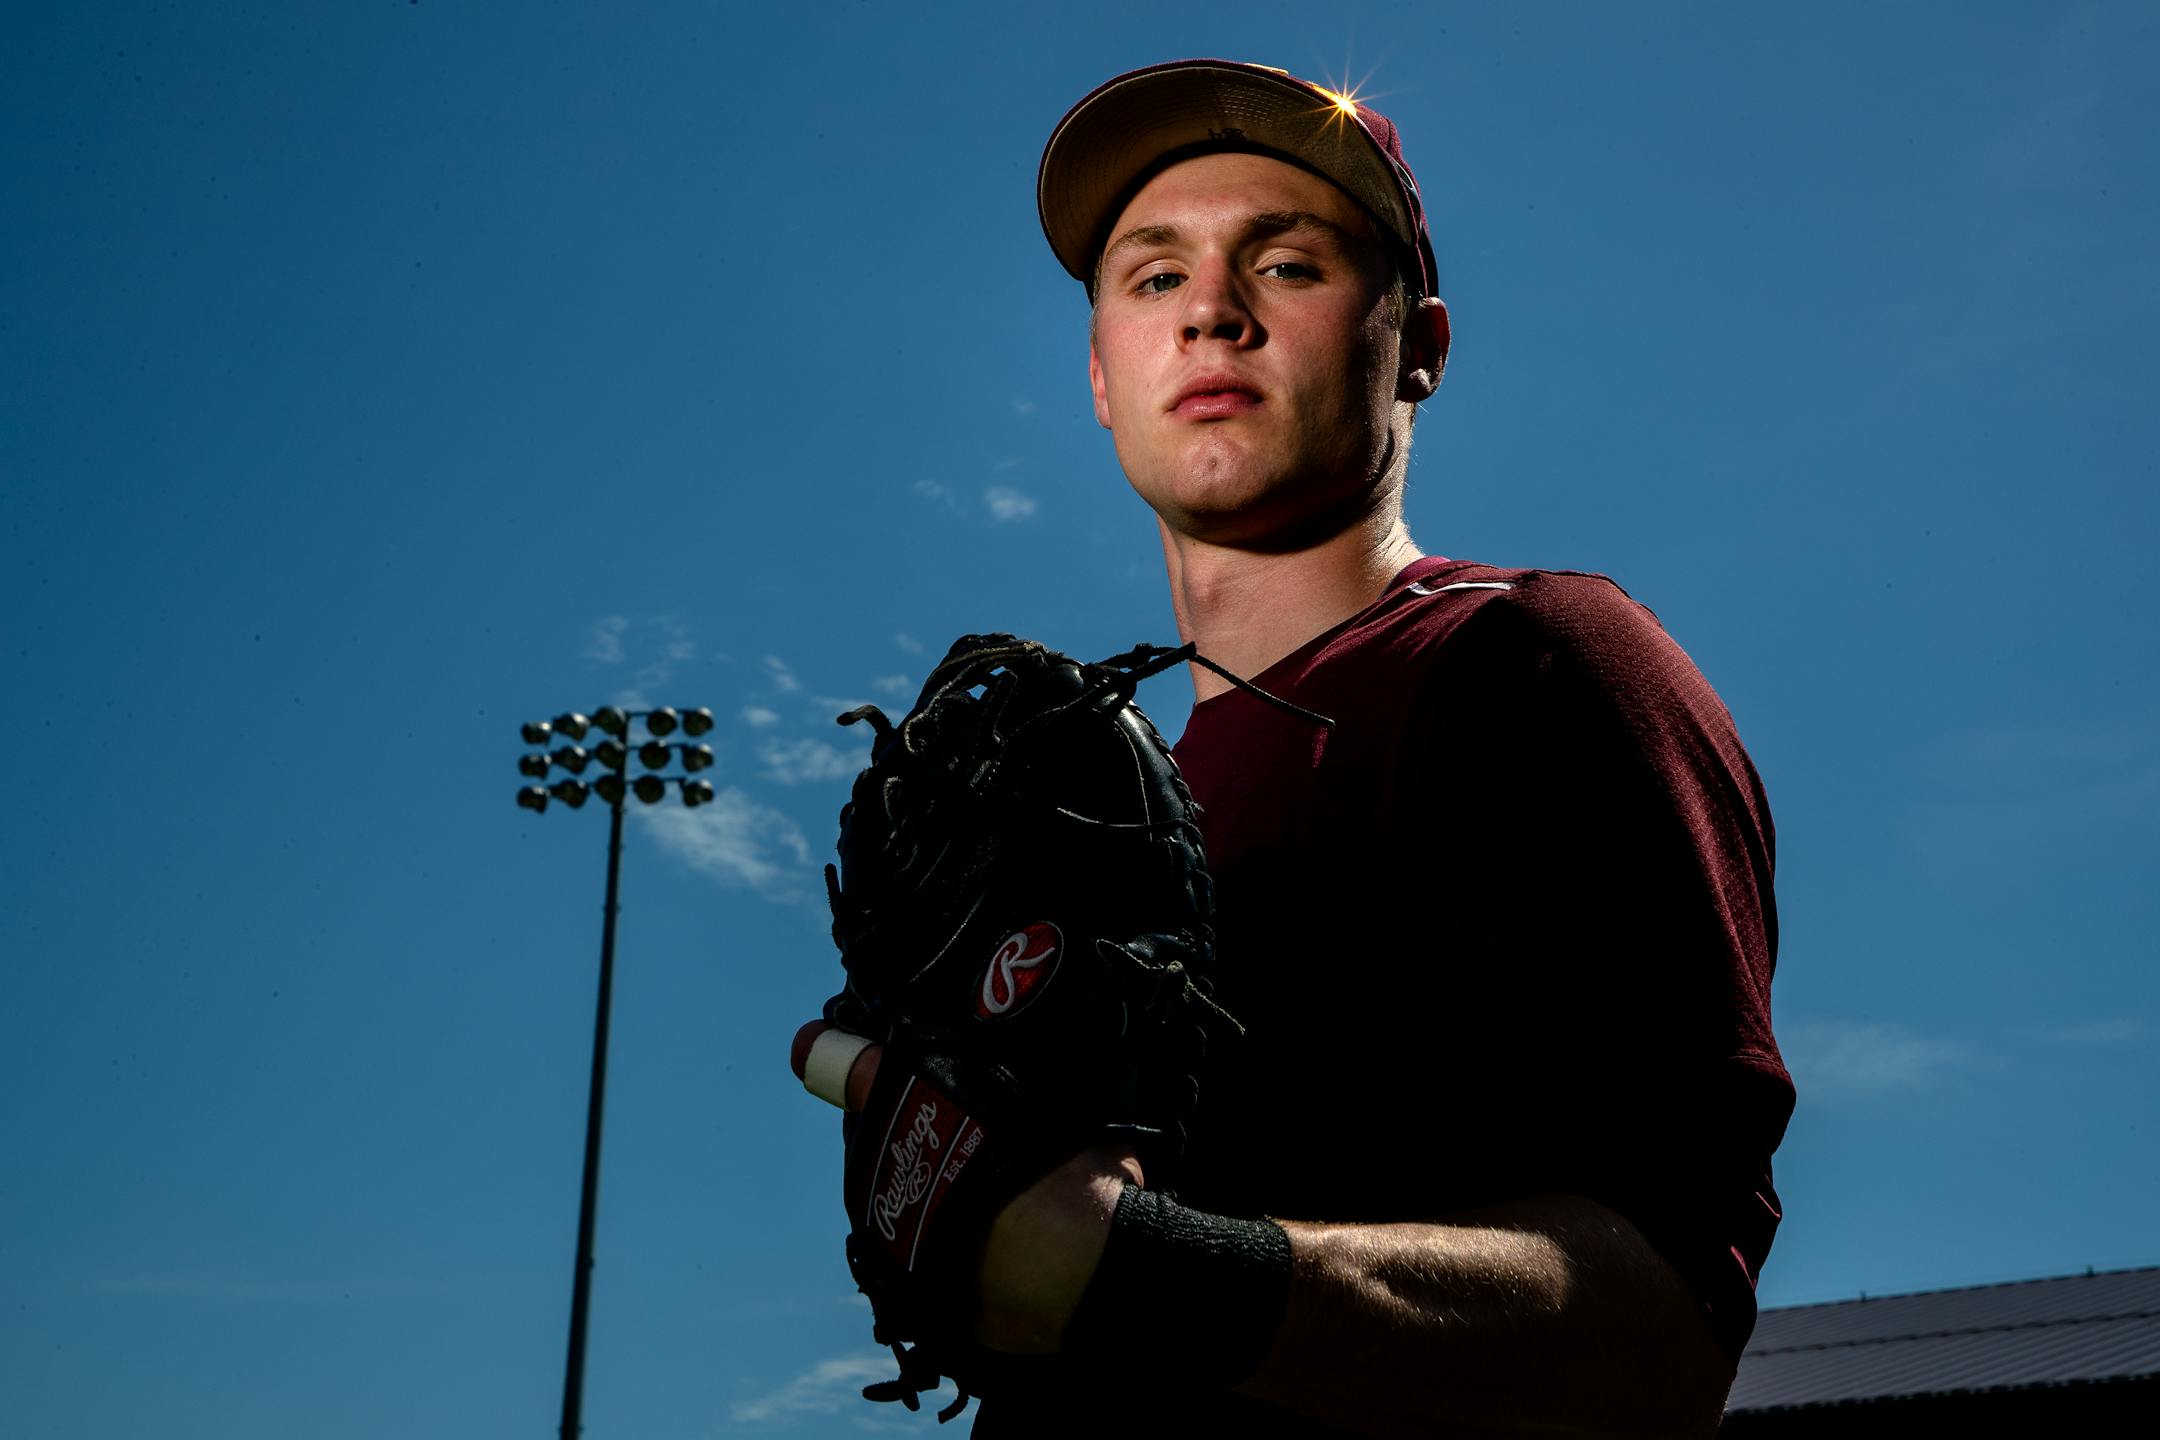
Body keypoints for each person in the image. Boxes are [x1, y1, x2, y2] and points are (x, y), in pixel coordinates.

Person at [799, 60, 1792, 1438]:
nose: (1211, 310)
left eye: (1287, 260)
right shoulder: (1088, 813)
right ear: (1101, 375)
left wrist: (1140, 1271)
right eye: (1153, 279)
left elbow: (1662, 1338)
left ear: (1421, 344)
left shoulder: (1537, 660)